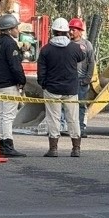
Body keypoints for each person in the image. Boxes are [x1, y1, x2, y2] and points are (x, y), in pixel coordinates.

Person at [37, 17, 84, 157]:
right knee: (73, 118)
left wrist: (43, 84)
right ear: (67, 32)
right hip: (71, 89)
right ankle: (76, 149)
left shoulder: (46, 50)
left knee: (53, 119)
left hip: (52, 89)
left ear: (53, 31)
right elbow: (81, 57)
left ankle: (53, 149)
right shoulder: (74, 48)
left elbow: (41, 71)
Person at [0, 13, 26, 157]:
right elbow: (15, 66)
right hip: (10, 85)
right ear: (10, 30)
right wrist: (21, 81)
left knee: (3, 115)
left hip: (0, 83)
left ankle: (1, 143)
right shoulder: (10, 44)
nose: (18, 30)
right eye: (16, 28)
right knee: (9, 116)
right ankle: (8, 146)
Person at [68, 17, 95, 138]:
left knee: (80, 105)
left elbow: (91, 62)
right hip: (69, 80)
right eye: (70, 30)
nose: (71, 32)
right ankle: (68, 127)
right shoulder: (67, 44)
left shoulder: (86, 45)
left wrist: (87, 78)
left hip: (82, 80)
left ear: (80, 31)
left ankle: (81, 128)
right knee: (67, 105)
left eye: (74, 30)